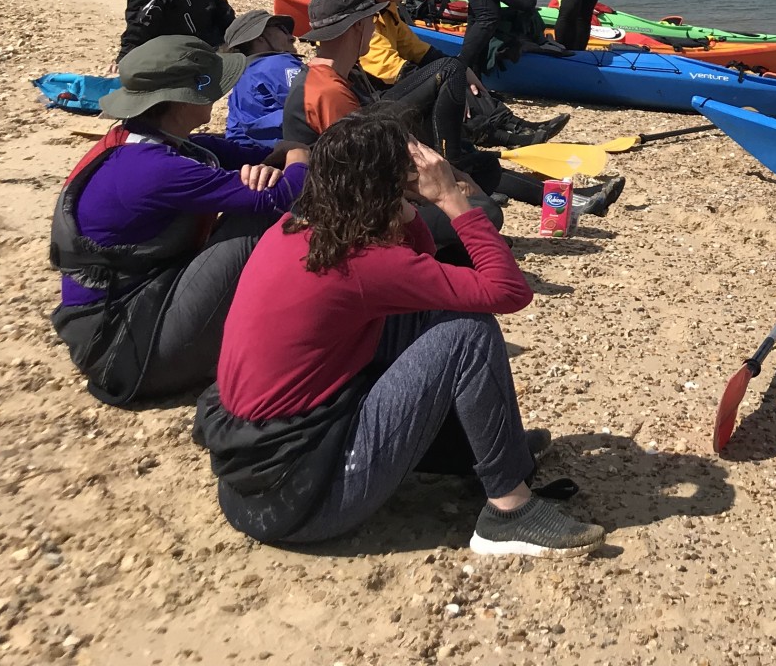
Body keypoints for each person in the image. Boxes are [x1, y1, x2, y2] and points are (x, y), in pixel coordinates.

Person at [195, 113, 605, 555]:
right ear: (387, 189)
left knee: (425, 314)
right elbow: (508, 291)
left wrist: (400, 204)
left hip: (255, 481)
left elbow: (418, 261)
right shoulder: (365, 262)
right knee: (468, 331)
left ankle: (488, 448)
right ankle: (510, 512)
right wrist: (449, 196)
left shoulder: (300, 228)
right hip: (305, 499)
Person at [50, 36, 305, 405]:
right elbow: (282, 195)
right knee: (253, 222)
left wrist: (276, 156)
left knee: (252, 202)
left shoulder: (147, 141)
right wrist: (299, 152)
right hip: (123, 347)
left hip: (125, 314)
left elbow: (231, 151)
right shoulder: (154, 169)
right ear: (184, 98)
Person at [280, 0, 614, 239]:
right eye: (371, 20)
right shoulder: (327, 90)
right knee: (484, 212)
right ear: (357, 27)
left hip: (363, 192)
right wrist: (441, 191)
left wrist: (451, 178)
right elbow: (372, 171)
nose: (374, 25)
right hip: (352, 214)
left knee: (475, 171)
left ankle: (565, 201)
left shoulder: (341, 73)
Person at [348, 0, 567, 148]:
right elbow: (390, 69)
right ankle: (504, 133)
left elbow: (415, 48)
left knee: (456, 71)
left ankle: (511, 123)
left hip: (392, 83)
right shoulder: (362, 14)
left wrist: (461, 70)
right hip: (374, 97)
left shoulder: (386, 6)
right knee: (448, 77)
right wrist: (447, 85)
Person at [222, 8, 302, 153]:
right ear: (259, 37)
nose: (292, 37)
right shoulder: (275, 64)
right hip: (283, 159)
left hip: (247, 158)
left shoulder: (242, 77)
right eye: (281, 28)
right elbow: (315, 106)